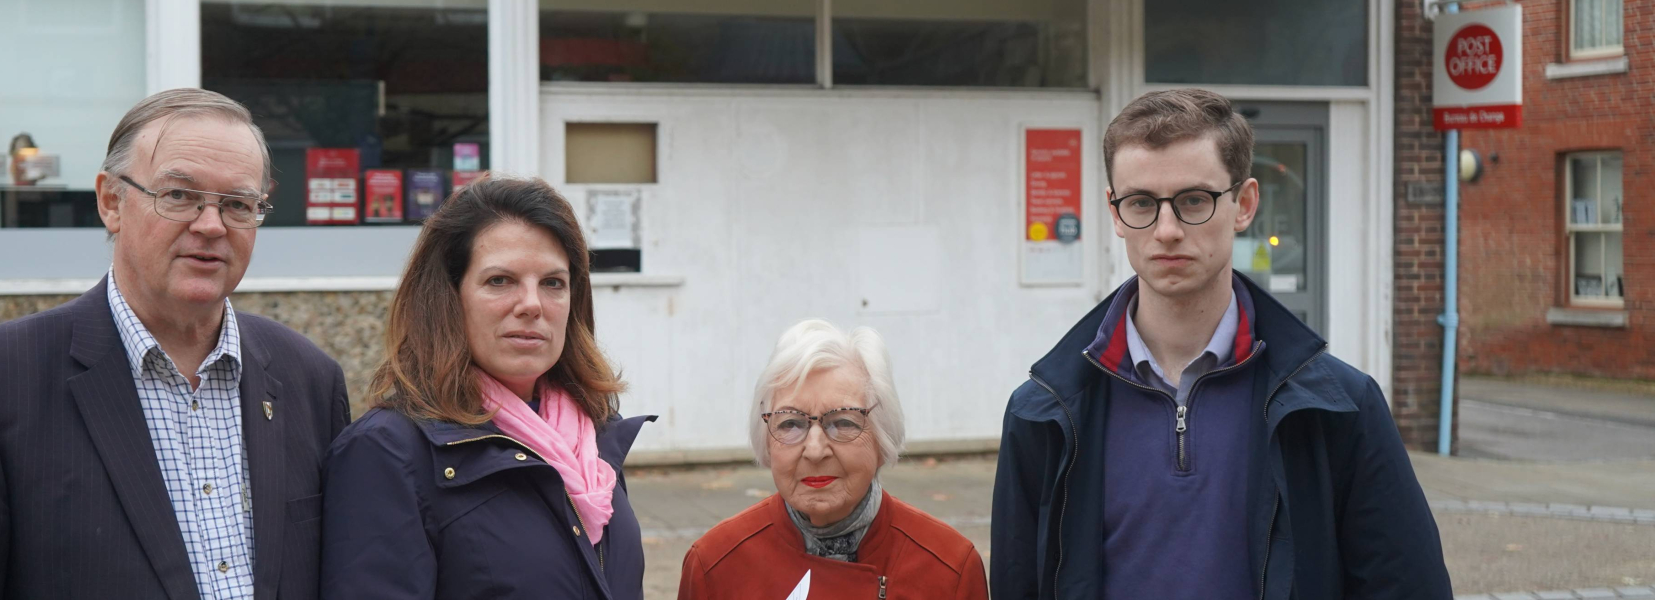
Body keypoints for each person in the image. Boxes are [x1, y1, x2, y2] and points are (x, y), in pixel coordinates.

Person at [0, 89, 349, 600]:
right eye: (179, 196)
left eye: (237, 204)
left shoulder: (309, 380)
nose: (211, 226)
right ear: (111, 201)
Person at [990, 89, 1450, 600]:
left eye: (1193, 201)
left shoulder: (1340, 408)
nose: (1166, 230)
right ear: (1115, 213)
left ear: (1244, 204)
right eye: (1141, 202)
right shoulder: (1041, 414)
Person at [321, 175, 651, 599]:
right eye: (500, 281)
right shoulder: (387, 451)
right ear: (447, 298)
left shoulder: (594, 433)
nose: (532, 304)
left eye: (553, 283)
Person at [679, 319, 988, 599]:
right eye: (791, 423)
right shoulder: (715, 565)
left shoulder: (949, 569)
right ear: (767, 442)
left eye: (843, 422)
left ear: (883, 437)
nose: (815, 451)